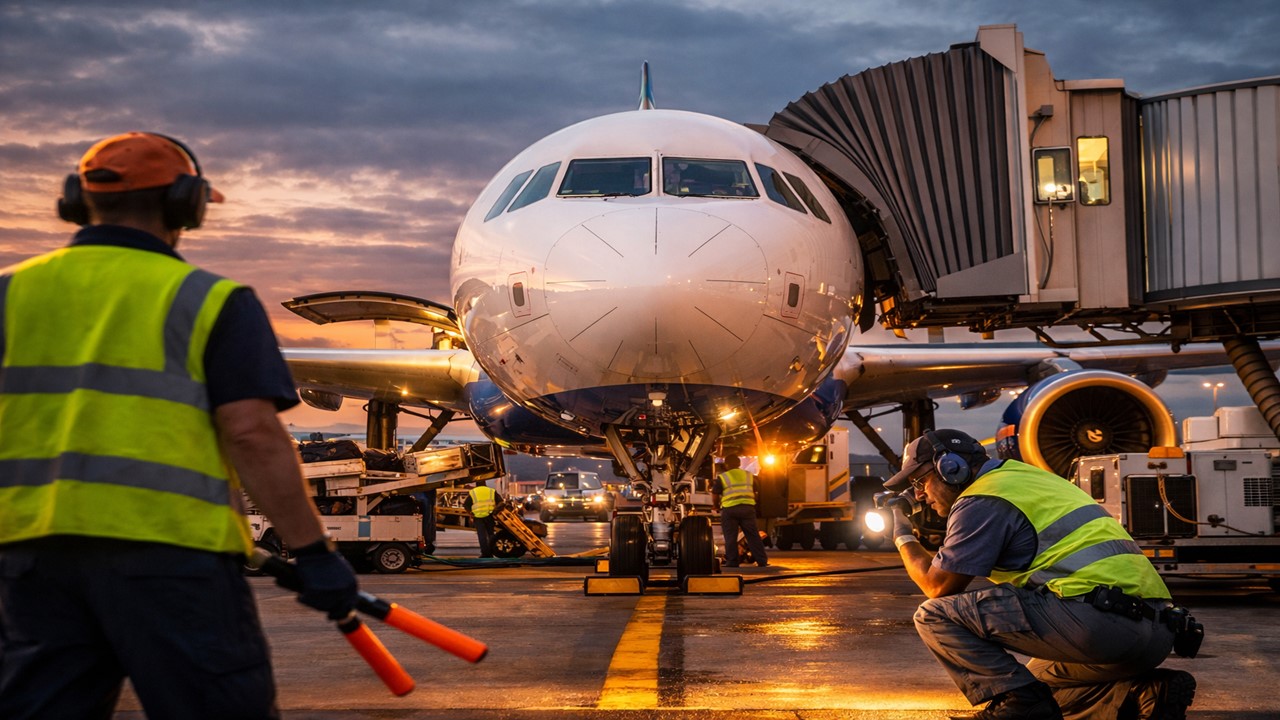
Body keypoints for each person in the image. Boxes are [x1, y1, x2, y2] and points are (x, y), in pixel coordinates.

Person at [0, 132, 360, 720]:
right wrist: (314, 553)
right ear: (186, 205)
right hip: (172, 559)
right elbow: (250, 433)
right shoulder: (211, 300)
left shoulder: (11, 293)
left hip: (33, 562)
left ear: (75, 199)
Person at [885, 429, 1198, 720]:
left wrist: (901, 532)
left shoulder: (983, 498)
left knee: (935, 615)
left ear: (949, 468)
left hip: (1096, 625)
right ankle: (1143, 693)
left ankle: (1021, 707)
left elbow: (937, 585)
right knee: (1039, 686)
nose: (921, 495)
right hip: (1157, 634)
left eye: (920, 482)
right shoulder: (1026, 479)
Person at [713, 455, 769, 568]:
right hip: (747, 509)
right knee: (753, 536)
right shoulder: (749, 476)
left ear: (726, 465)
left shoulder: (723, 477)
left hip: (730, 509)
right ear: (739, 464)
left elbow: (715, 494)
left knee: (730, 537)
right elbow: (757, 491)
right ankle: (762, 561)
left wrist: (716, 506)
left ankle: (732, 562)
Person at [465, 479, 502, 558]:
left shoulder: (473, 492)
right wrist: (495, 512)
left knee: (482, 536)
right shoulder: (491, 491)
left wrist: (471, 514)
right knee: (491, 534)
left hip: (478, 517)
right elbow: (501, 502)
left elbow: (466, 504)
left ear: (476, 484)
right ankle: (492, 552)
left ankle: (485, 554)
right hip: (490, 515)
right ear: (485, 484)